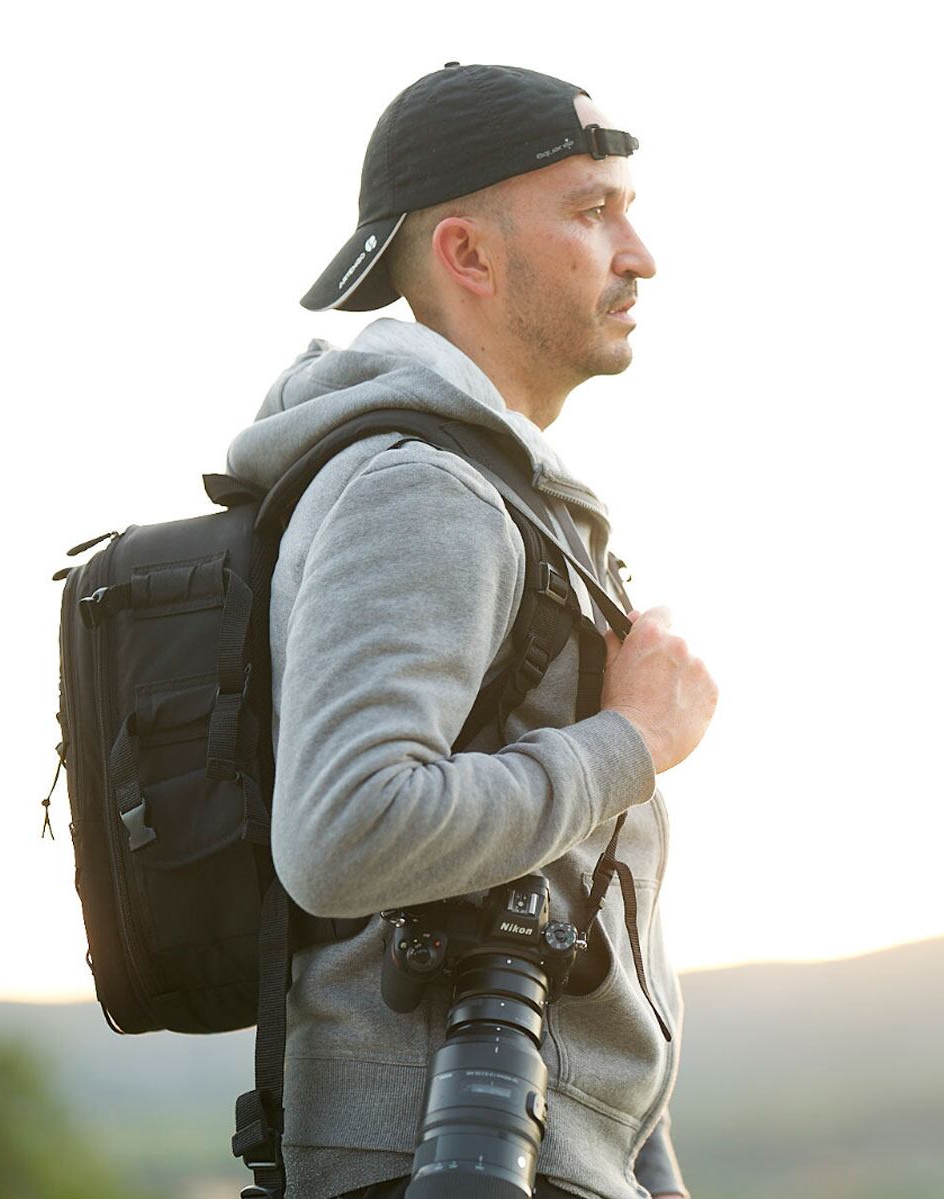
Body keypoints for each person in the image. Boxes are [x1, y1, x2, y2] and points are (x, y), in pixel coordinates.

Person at [223, 63, 716, 1199]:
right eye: (593, 211)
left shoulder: (493, 491)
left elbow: (576, 905)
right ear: (470, 257)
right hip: (439, 1157)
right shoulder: (422, 491)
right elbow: (347, 830)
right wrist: (632, 742)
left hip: (524, 1150)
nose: (638, 252)